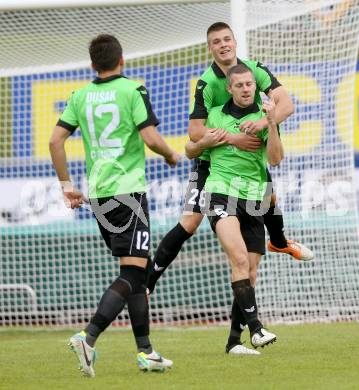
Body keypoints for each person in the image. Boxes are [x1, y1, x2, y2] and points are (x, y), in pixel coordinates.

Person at [147, 21, 313, 295]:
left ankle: (280, 242)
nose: (223, 45)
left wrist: (262, 124)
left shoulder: (254, 70)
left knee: (270, 197)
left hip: (246, 158)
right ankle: (149, 282)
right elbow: (195, 132)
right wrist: (235, 137)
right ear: (210, 48)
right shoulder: (207, 83)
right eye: (217, 41)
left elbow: (287, 104)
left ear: (235, 42)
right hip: (213, 161)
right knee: (190, 221)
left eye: (227, 39)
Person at [49, 34, 180, 377]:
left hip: (100, 194)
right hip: (128, 193)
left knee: (138, 269)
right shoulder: (132, 90)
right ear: (122, 60)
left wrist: (67, 186)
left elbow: (55, 140)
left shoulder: (80, 96)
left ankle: (146, 351)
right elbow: (151, 138)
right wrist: (170, 155)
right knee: (134, 272)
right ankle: (88, 336)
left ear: (93, 64)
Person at [204, 63, 282, 354]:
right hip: (220, 193)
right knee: (238, 259)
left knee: (249, 272)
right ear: (229, 88)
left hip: (252, 199)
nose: (246, 89)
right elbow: (192, 146)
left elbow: (274, 159)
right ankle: (257, 329)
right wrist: (219, 138)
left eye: (250, 84)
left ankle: (234, 342)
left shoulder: (264, 118)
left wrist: (272, 123)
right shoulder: (214, 115)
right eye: (240, 85)